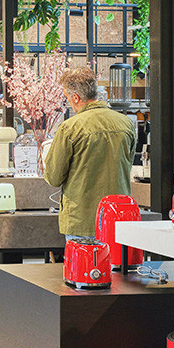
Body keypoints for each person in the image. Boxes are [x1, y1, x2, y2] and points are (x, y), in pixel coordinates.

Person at [44, 67, 136, 238]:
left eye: (67, 98)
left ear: (76, 97)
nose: (68, 103)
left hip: (82, 220)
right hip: (119, 218)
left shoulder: (70, 128)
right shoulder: (126, 124)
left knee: (85, 264)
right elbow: (127, 166)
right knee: (116, 264)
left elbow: (54, 177)